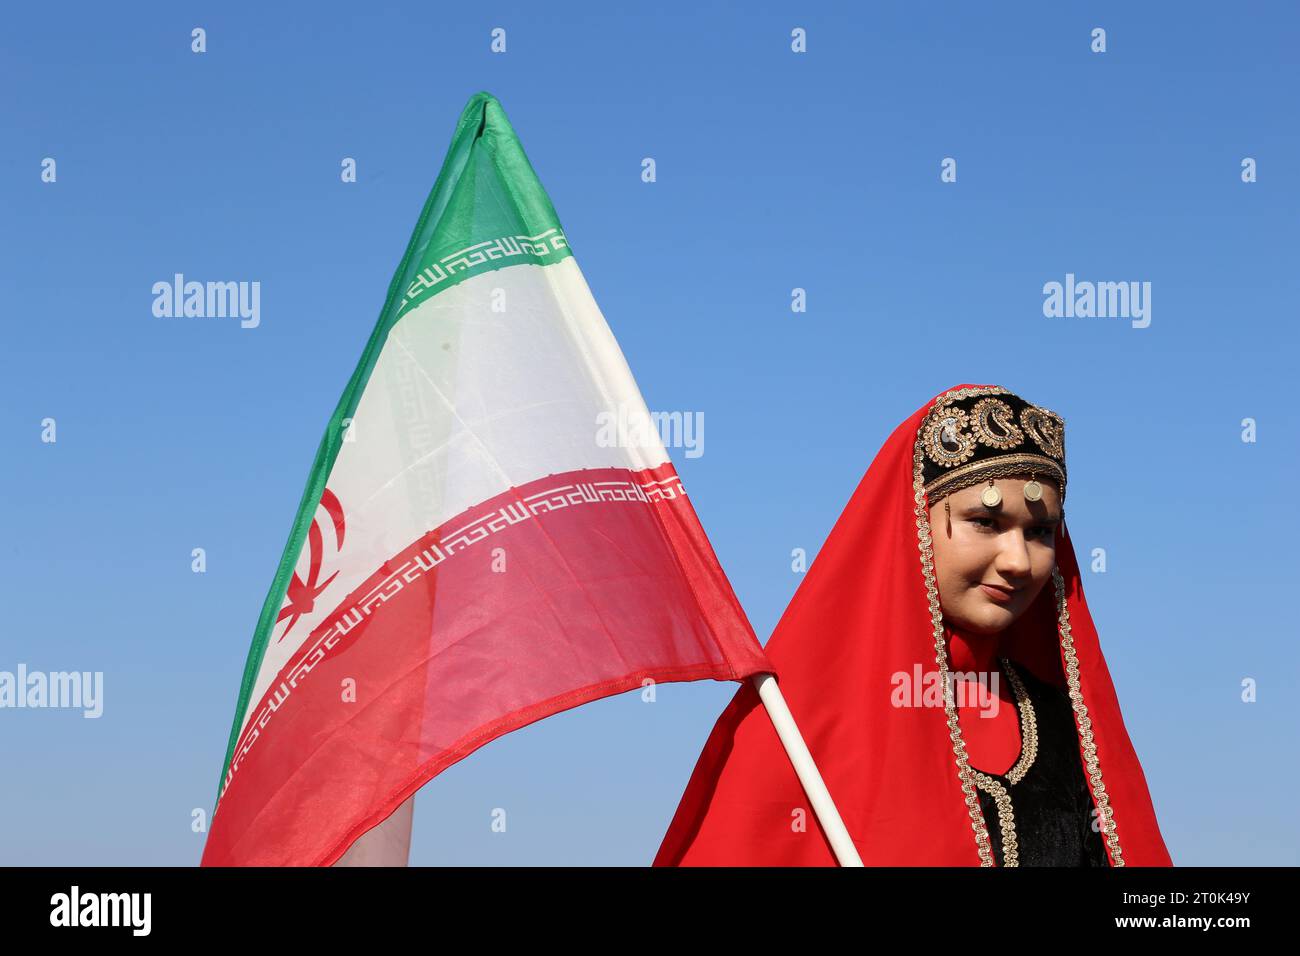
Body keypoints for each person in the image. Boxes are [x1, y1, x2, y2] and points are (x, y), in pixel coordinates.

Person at [653, 384, 1172, 866]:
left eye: (1039, 531)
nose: (1018, 560)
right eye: (985, 522)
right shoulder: (797, 731)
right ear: (913, 524)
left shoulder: (1067, 728)